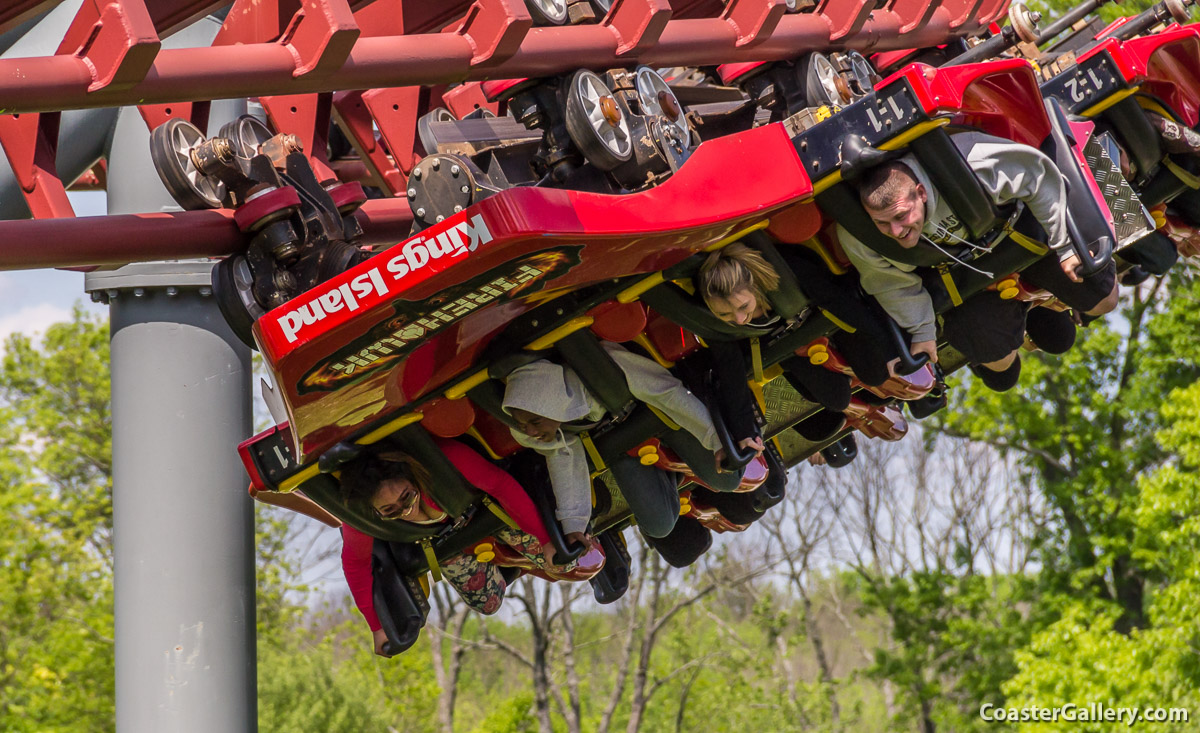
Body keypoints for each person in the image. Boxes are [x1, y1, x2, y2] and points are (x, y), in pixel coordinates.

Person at [840, 131, 1119, 391]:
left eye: (901, 216)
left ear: (921, 193)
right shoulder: (860, 235)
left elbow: (1038, 176)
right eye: (883, 223)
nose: (896, 231)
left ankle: (1040, 305)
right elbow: (890, 283)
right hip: (962, 279)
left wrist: (1066, 245)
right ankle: (1017, 319)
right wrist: (922, 331)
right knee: (1001, 368)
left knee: (1106, 300)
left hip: (1019, 239)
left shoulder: (974, 163)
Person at [339, 439, 575, 655]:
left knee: (568, 564)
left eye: (407, 497)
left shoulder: (446, 461)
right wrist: (377, 627)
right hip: (447, 544)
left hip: (489, 514)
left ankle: (519, 554)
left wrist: (545, 539)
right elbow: (355, 564)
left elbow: (500, 485)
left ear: (410, 476)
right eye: (391, 511)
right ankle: (509, 568)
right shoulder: (363, 519)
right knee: (488, 603)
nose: (406, 511)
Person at [502, 341, 742, 541]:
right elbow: (562, 454)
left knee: (729, 478)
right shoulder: (533, 430)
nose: (531, 432)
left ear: (549, 402)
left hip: (659, 414)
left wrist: (716, 439)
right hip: (619, 445)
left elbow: (666, 392)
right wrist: (574, 525)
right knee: (660, 527)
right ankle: (668, 473)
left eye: (535, 421)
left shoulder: (601, 366)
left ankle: (673, 456)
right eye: (524, 425)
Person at [696, 242, 898, 440]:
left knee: (877, 375)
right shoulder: (717, 323)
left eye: (743, 306)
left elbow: (838, 301)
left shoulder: (787, 271)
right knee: (837, 399)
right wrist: (745, 432)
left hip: (828, 322)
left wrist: (887, 346)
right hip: (789, 348)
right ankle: (841, 380)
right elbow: (731, 368)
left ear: (754, 284)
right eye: (724, 314)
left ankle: (862, 378)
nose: (739, 319)